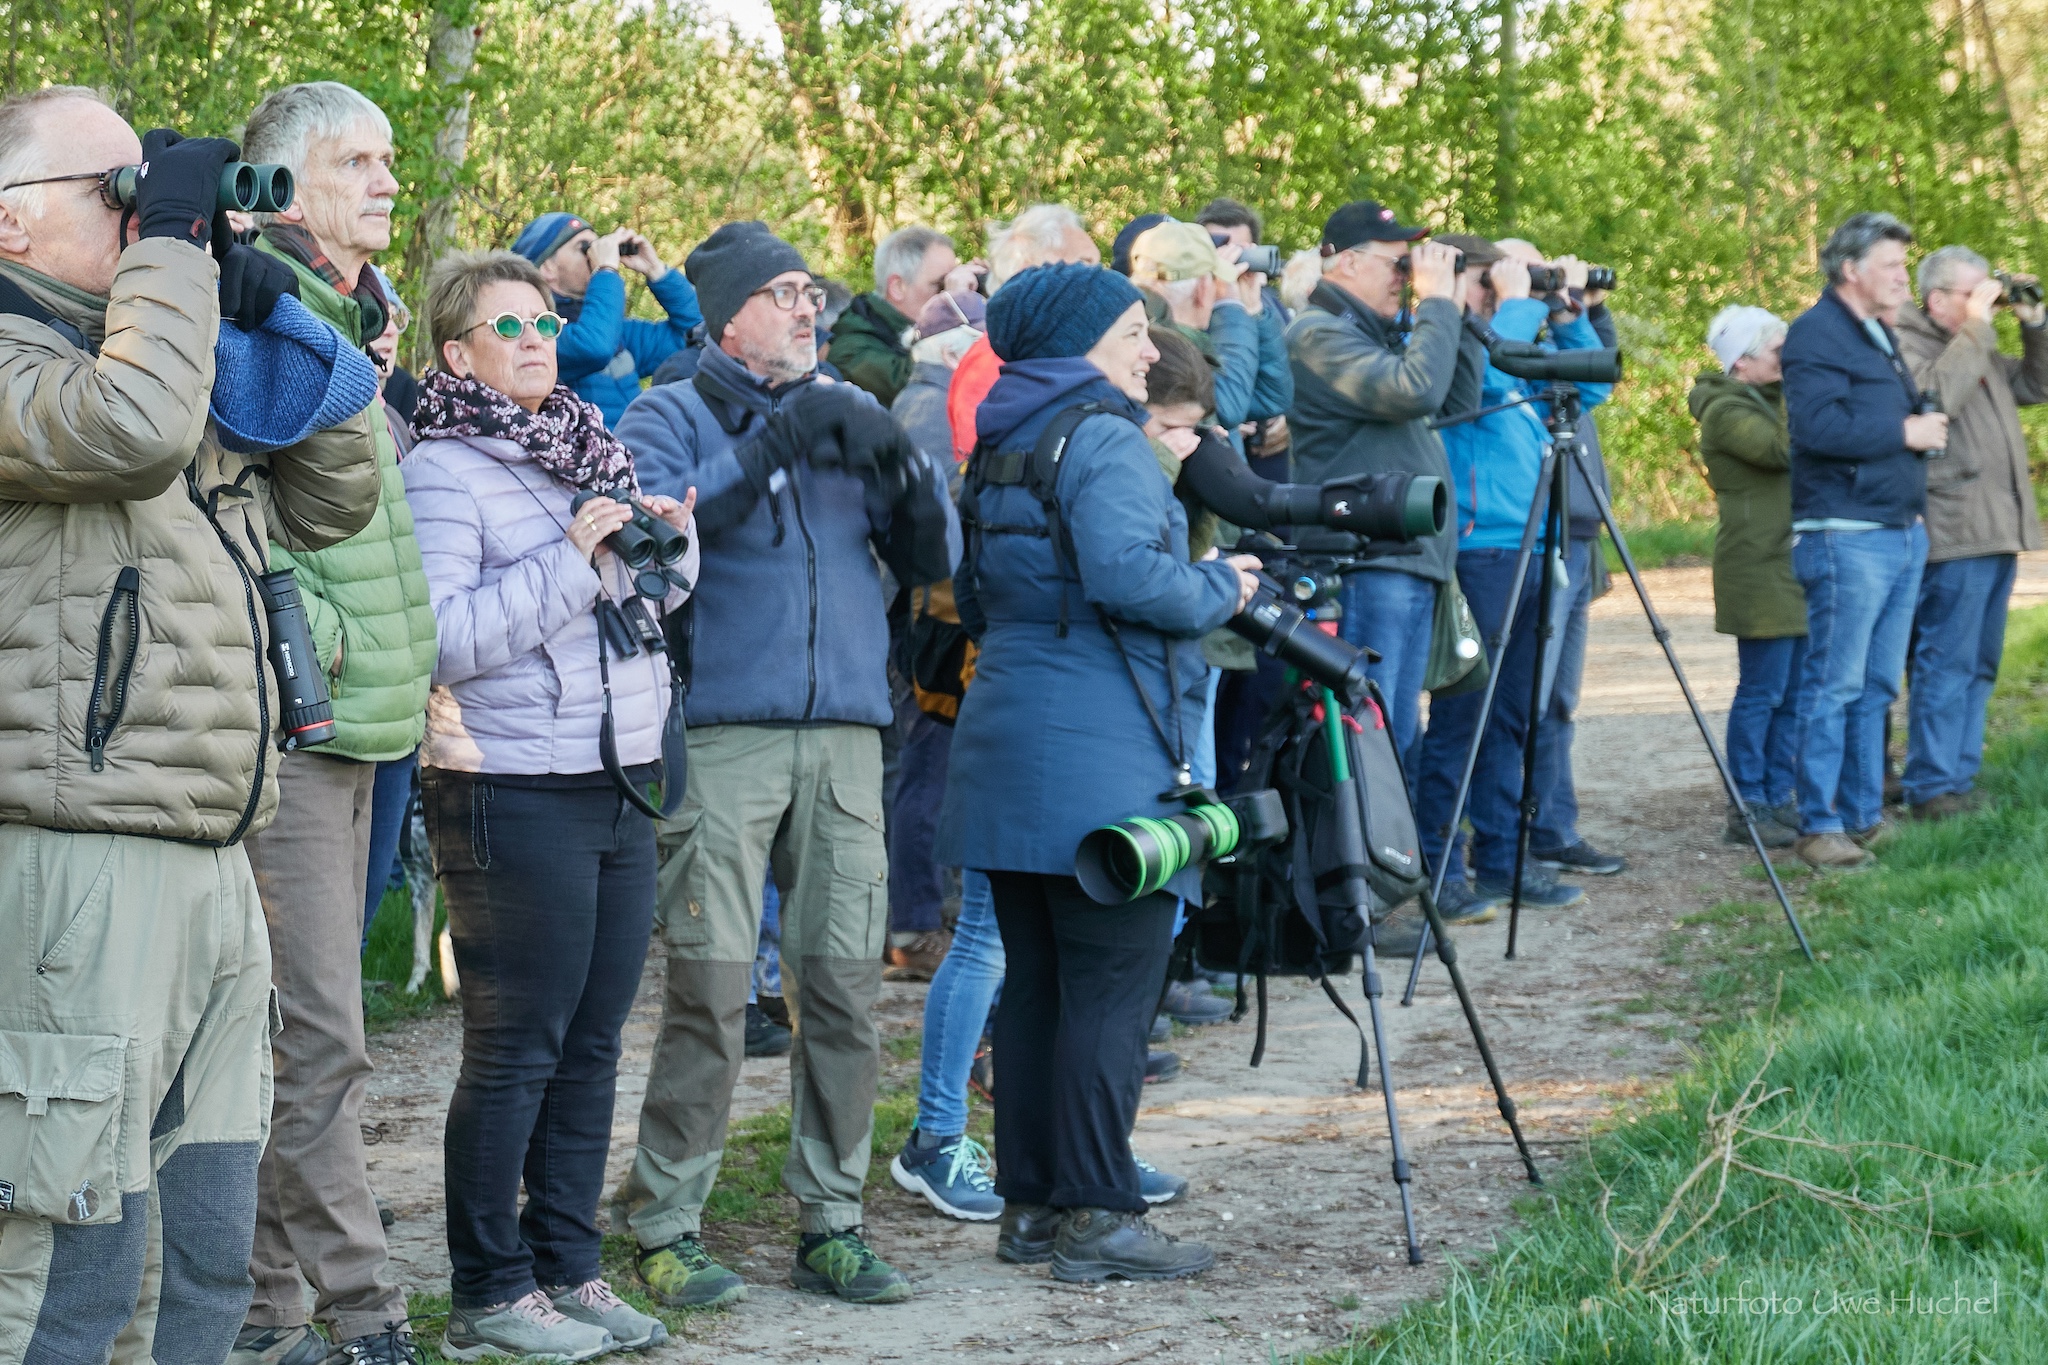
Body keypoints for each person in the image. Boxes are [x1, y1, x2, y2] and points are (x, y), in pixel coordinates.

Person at [0, 86, 382, 1364]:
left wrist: (269, 311)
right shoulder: (30, 359)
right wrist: (172, 254)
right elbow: (130, 431)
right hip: (79, 852)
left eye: (150, 194)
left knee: (209, 1235)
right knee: (68, 1236)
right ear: (10, 225)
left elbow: (339, 498)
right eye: (114, 193)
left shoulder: (162, 338)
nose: (146, 217)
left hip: (218, 848)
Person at [613, 221, 957, 1308]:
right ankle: (666, 1223)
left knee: (846, 992)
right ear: (723, 316)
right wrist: (770, 446)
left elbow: (936, 563)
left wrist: (899, 464)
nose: (808, 310)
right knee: (713, 995)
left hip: (850, 733)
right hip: (722, 735)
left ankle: (834, 1220)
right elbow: (655, 544)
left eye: (813, 292)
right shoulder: (666, 410)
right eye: (781, 294)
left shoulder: (848, 408)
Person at [937, 261, 1258, 1282]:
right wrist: (1222, 582)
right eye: (1130, 329)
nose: (1149, 348)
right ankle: (1095, 1213)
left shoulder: (1000, 440)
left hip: (1003, 742)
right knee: (1112, 992)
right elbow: (1132, 581)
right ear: (1078, 343)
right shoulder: (1105, 439)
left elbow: (974, 598)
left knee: (1036, 988)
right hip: (1098, 755)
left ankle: (1030, 1209)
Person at [403, 248, 696, 1359]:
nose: (535, 341)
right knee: (517, 1045)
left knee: (592, 1043)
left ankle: (570, 1271)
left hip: (616, 776)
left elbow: (630, 612)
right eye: (509, 328)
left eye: (543, 323)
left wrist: (669, 548)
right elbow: (450, 640)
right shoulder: (442, 468)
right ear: (457, 353)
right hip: (508, 786)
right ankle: (488, 1290)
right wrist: (576, 561)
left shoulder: (583, 443)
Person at [233, 83, 441, 1365]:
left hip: (377, 719)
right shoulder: (259, 305)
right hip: (301, 724)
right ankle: (365, 1312)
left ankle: (264, 1312)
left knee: (292, 1039)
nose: (383, 179)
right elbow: (248, 510)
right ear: (280, 183)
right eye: (354, 161)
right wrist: (323, 642)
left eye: (387, 157)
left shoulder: (356, 314)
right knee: (322, 1037)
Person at [1415, 235, 1614, 920]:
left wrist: (1565, 311)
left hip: (1538, 542)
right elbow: (1485, 383)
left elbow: (1587, 387)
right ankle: (1442, 868)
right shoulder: (1452, 341)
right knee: (1463, 718)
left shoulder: (1510, 332)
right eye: (1493, 278)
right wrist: (1516, 307)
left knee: (1512, 719)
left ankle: (1503, 859)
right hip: (1482, 548)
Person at [1284, 202, 1463, 839]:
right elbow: (1414, 392)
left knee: (1397, 735)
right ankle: (1360, 904)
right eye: (1398, 263)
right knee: (1370, 741)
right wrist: (1438, 307)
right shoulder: (1317, 334)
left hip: (1403, 560)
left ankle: (1384, 886)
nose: (1406, 277)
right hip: (1365, 563)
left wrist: (1450, 308)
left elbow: (1454, 397)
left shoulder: (1373, 333)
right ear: (1347, 262)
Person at [1781, 212, 1946, 869]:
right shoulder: (1816, 332)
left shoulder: (1876, 332)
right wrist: (1905, 433)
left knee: (1877, 685)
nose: (1903, 278)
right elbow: (1817, 427)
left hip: (1899, 530)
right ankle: (1819, 825)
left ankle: (1860, 816)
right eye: (1892, 267)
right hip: (1844, 536)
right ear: (1851, 270)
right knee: (1834, 684)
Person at [1492, 237, 1630, 882]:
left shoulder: (1543, 339)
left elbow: (1597, 379)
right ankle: (1514, 831)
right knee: (1527, 695)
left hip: (1576, 530)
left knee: (1560, 697)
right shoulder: (1500, 348)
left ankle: (1552, 823)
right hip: (1530, 533)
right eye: (1529, 270)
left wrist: (1582, 312)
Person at [1897, 246, 2048, 820]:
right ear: (1937, 299)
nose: (1987, 300)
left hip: (1995, 527)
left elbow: (2040, 384)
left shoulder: (1973, 345)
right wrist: (1980, 330)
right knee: (1945, 662)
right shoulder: (1909, 346)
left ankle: (1959, 777)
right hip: (1953, 527)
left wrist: (2034, 323)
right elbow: (1935, 397)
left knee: (1980, 663)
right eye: (1974, 292)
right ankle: (1932, 786)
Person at [1692, 305, 1805, 847]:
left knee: (1796, 691)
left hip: (1791, 561)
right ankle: (1748, 803)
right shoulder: (1726, 410)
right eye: (1778, 351)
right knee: (1763, 689)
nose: (1787, 361)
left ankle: (1778, 797)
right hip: (1757, 568)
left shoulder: (1769, 399)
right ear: (1741, 363)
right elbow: (1784, 450)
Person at [512, 211, 701, 427]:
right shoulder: (538, 335)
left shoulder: (616, 332)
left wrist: (656, 271)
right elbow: (594, 348)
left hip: (635, 454)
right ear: (548, 268)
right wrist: (606, 271)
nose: (596, 255)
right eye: (584, 249)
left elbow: (694, 334)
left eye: (598, 247)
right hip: (585, 459)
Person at [948, 204, 1103, 457]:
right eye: (1084, 264)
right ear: (1028, 271)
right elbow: (979, 471)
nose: (1099, 279)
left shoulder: (1063, 348)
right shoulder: (991, 360)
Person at [1129, 219, 1293, 444]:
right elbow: (1227, 406)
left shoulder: (1132, 332)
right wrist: (1231, 306)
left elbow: (1271, 398)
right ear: (1203, 288)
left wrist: (1253, 308)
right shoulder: (1160, 347)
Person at [830, 225, 980, 407]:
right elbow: (919, 382)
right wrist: (954, 307)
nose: (945, 295)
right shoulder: (850, 350)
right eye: (941, 285)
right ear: (897, 287)